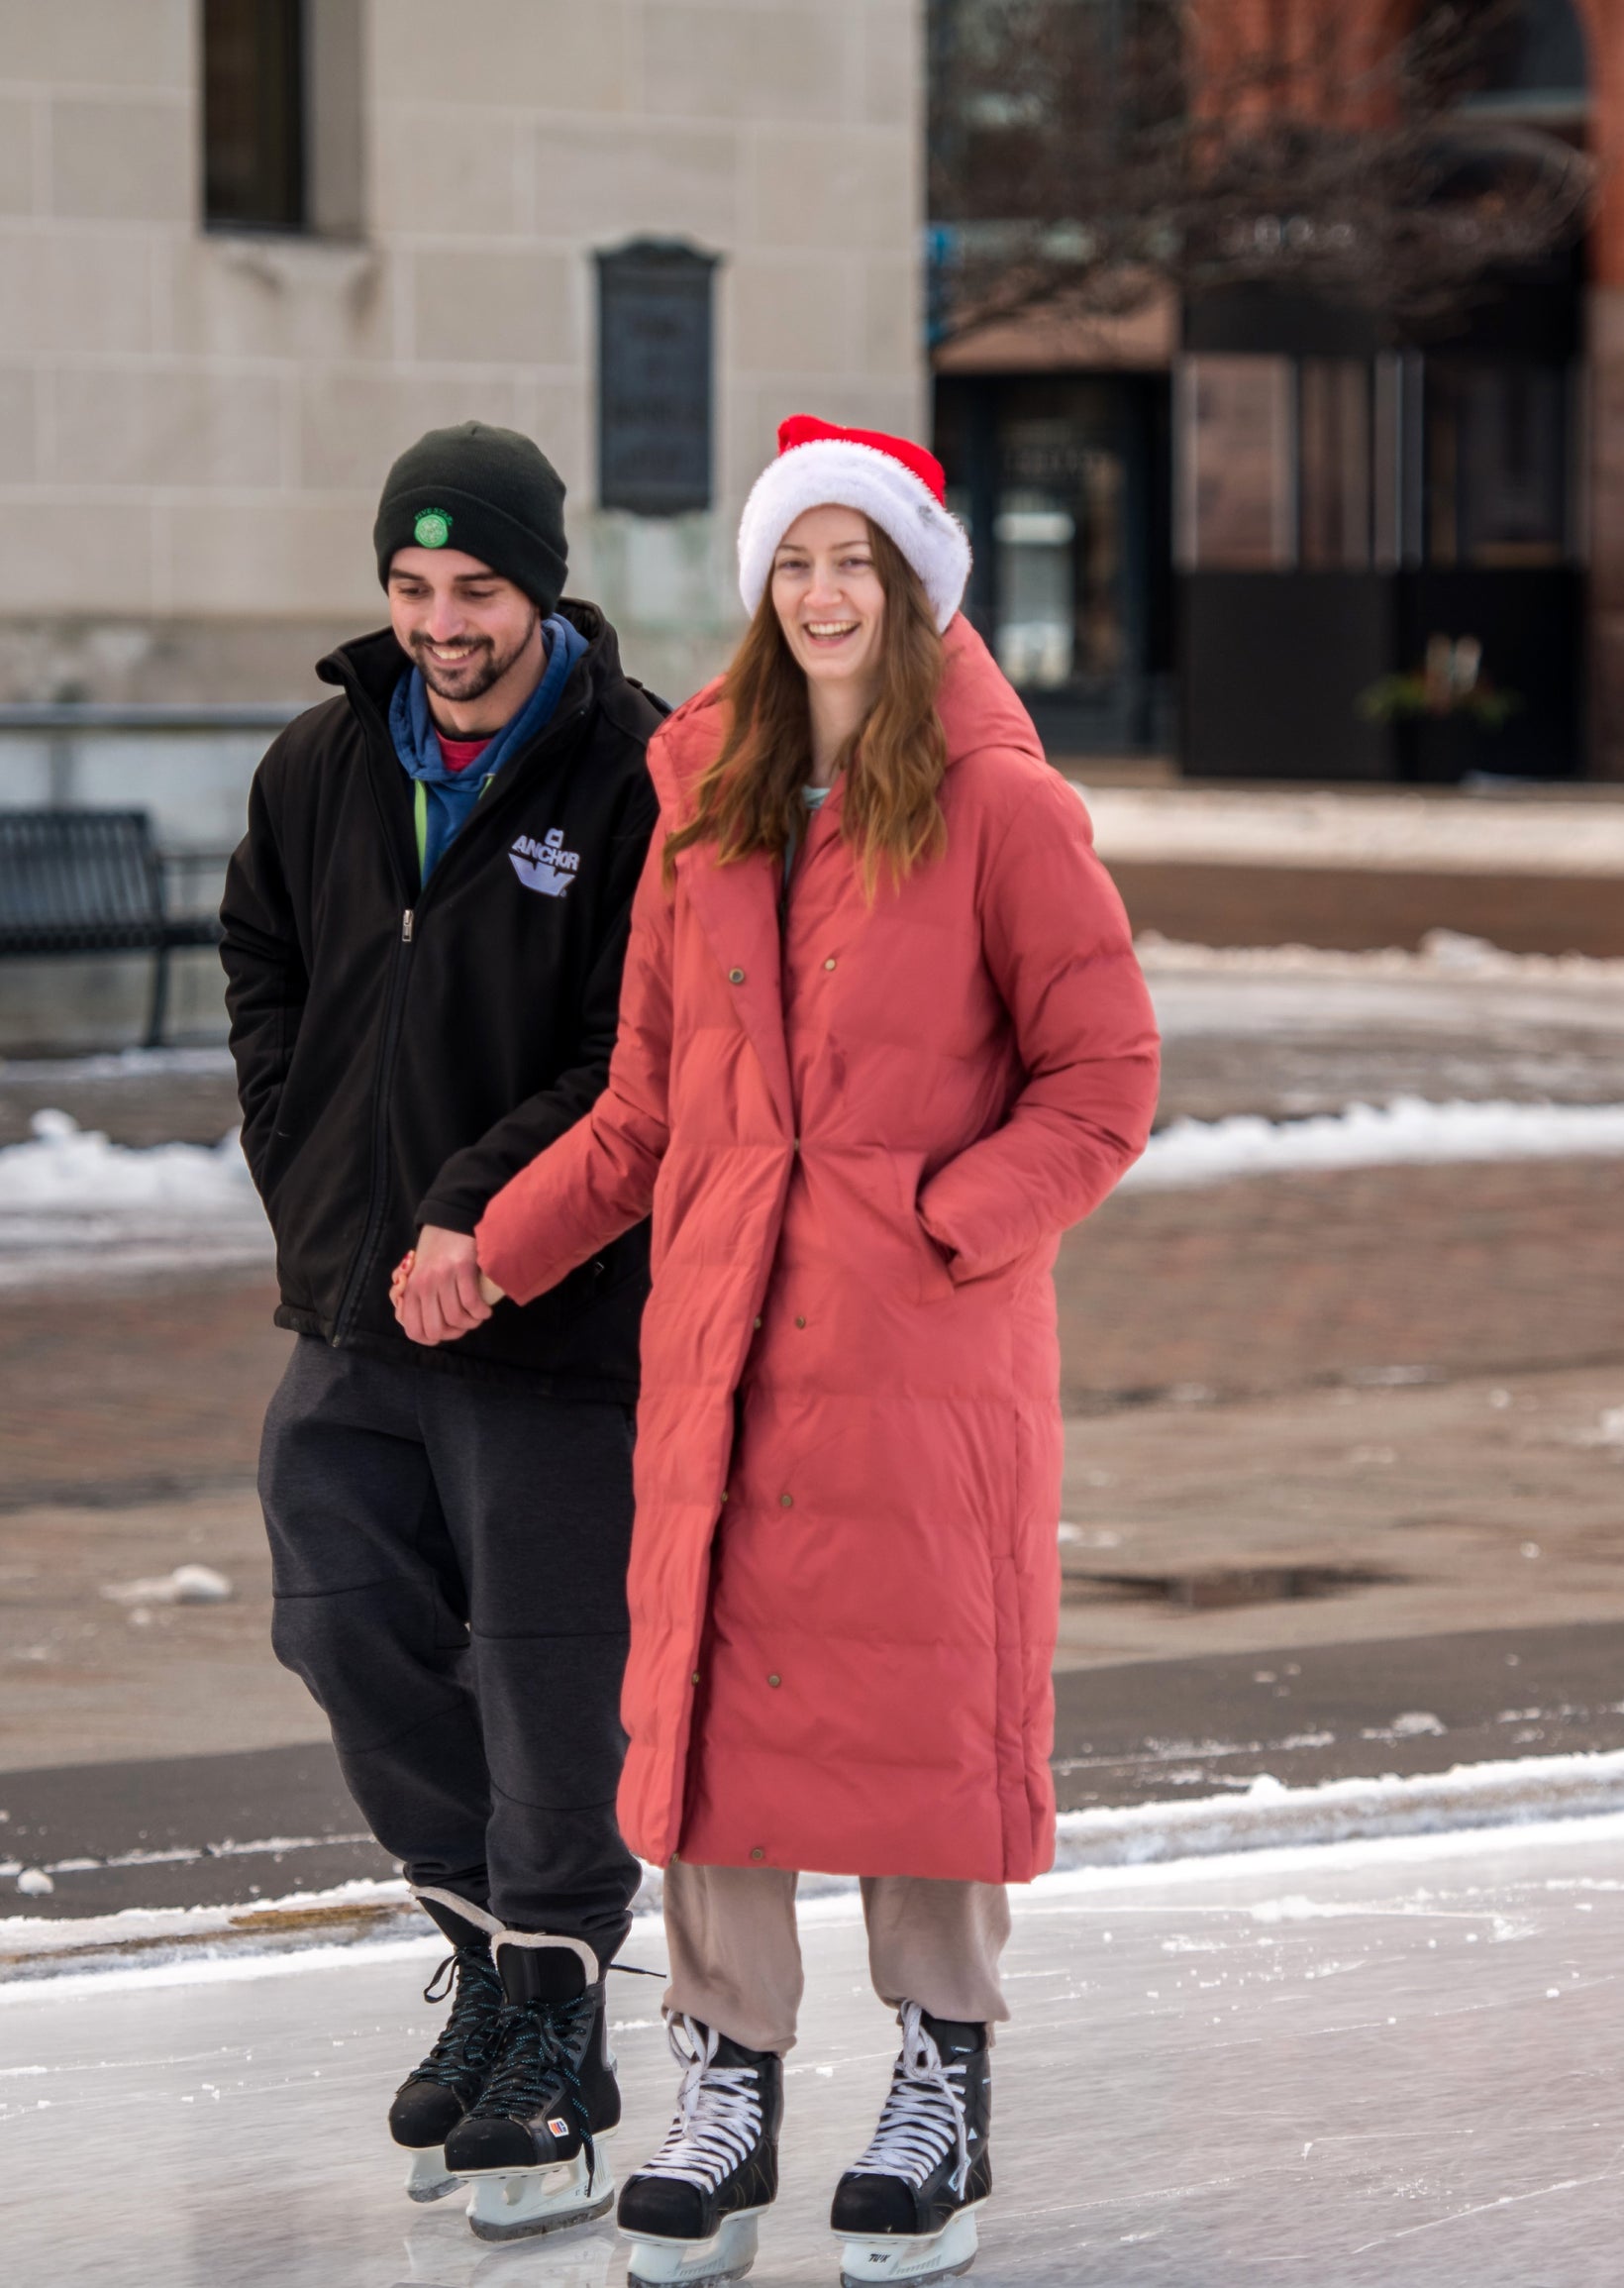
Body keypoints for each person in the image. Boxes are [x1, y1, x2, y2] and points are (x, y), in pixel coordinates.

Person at [444, 414, 1161, 2286]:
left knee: (920, 1699)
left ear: (919, 587)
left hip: (920, 1354)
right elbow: (644, 1105)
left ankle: (941, 2079)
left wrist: (943, 1225)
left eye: (857, 562)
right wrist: (490, 1253)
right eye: (795, 563)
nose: (824, 593)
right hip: (723, 1344)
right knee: (713, 1705)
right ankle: (727, 2080)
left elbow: (1104, 1078)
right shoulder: (711, 805)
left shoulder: (1003, 809)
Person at [219, 422, 662, 2242]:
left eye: (475, 589)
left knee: (548, 1665)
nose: (440, 625)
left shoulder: (632, 774)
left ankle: (558, 2014)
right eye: (411, 589)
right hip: (352, 1299)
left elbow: (636, 1054)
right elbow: (266, 968)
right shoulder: (323, 761)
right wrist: (307, 1165)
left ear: (540, 585)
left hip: (543, 1308)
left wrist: (479, 1210)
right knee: (338, 1610)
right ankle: (487, 1945)